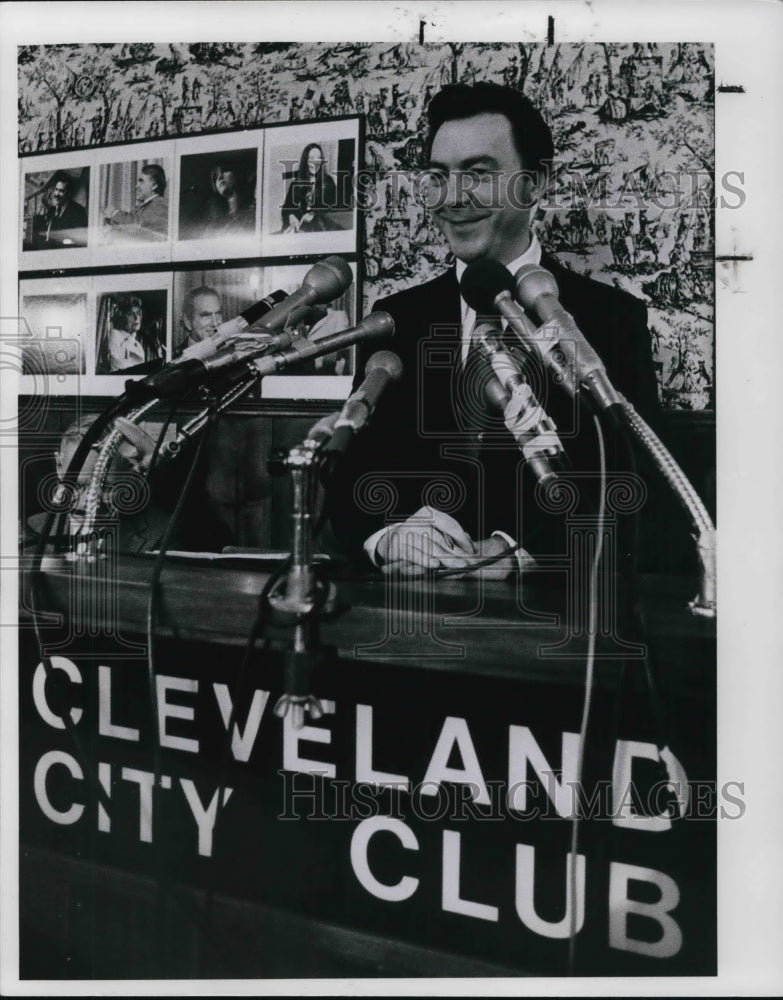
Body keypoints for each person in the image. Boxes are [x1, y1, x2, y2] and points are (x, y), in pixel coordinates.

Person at [325, 82, 659, 577]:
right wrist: (388, 537)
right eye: (438, 176)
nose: (453, 198)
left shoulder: (609, 318)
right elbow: (353, 469)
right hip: (403, 614)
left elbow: (633, 485)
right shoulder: (396, 317)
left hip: (549, 622)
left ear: (536, 182)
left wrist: (514, 551)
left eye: (478, 173)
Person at [280, 143, 339, 233]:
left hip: (320, 230)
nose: (315, 162)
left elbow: (333, 210)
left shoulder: (328, 182)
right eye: (311, 158)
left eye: (318, 158)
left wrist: (313, 214)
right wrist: (291, 215)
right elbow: (287, 207)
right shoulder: (296, 183)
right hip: (299, 229)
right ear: (305, 161)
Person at [104, 163, 169, 239]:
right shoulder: (146, 205)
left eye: (141, 181)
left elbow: (137, 225)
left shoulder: (160, 204)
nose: (136, 186)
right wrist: (111, 221)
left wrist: (114, 213)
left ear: (154, 186)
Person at [31, 170, 88, 249]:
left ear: (68, 193)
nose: (56, 194)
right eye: (56, 190)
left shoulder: (78, 211)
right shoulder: (52, 210)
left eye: (61, 191)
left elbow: (80, 239)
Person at [207, 161, 256, 235]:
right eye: (215, 177)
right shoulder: (214, 226)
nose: (220, 178)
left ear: (238, 174)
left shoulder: (255, 209)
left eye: (224, 171)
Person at [105, 295, 145, 373]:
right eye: (130, 314)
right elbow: (119, 367)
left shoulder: (139, 347)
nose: (136, 318)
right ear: (122, 318)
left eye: (138, 313)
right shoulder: (115, 334)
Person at [178, 285, 224, 353]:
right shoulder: (172, 358)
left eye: (218, 314)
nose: (215, 323)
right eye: (206, 315)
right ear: (188, 321)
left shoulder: (234, 352)